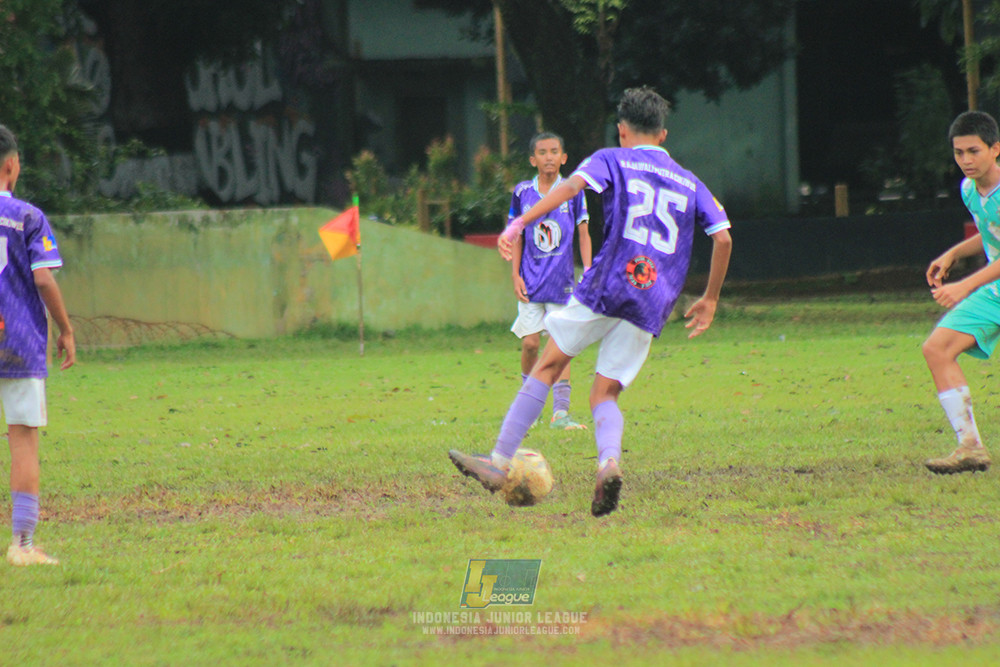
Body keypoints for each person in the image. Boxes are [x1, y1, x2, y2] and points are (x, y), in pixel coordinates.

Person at [450, 87, 733, 516]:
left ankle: (499, 461)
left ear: (622, 131)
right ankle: (608, 463)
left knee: (547, 365)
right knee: (605, 394)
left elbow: (568, 190)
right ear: (663, 134)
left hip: (609, 282)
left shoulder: (610, 159)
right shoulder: (689, 180)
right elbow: (724, 237)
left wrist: (519, 223)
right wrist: (710, 297)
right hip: (654, 297)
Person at [0, 125, 75, 565]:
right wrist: (65, 328)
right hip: (19, 340)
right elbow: (43, 277)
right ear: (11, 166)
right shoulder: (27, 217)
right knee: (23, 440)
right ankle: (22, 546)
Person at [922, 110, 1000, 474]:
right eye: (958, 153)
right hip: (995, 291)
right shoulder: (970, 189)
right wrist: (953, 254)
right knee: (937, 348)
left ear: (995, 149)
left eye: (974, 151)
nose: (966, 161)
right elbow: (990, 236)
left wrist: (966, 284)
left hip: (987, 284)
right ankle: (969, 446)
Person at [508, 132, 592, 430]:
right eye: (542, 152)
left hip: (563, 285)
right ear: (533, 159)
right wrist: (515, 274)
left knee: (561, 344)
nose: (549, 157)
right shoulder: (522, 193)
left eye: (554, 151)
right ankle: (528, 408)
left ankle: (561, 413)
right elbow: (517, 234)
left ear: (564, 157)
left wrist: (589, 270)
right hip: (530, 283)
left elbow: (583, 233)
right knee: (531, 344)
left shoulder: (573, 191)